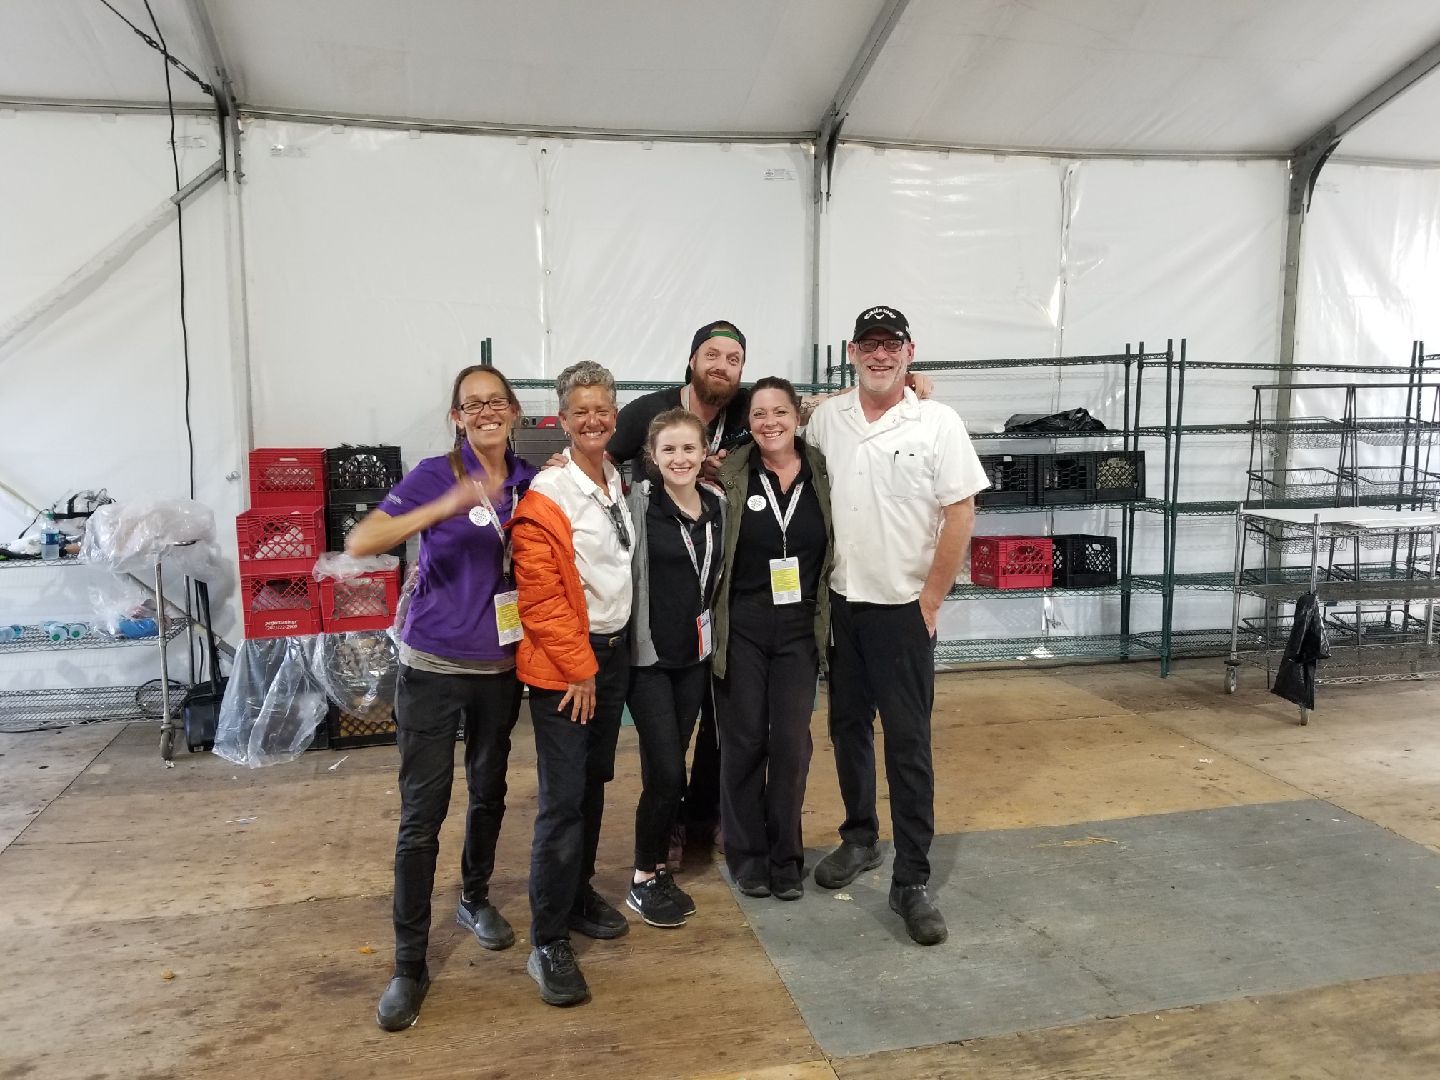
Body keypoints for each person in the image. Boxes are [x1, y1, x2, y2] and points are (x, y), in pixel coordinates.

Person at [346, 363, 538, 1032]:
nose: (486, 411)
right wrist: (445, 506)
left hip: (500, 669)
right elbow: (362, 539)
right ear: (457, 416)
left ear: (513, 411)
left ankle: (476, 897)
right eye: (471, 404)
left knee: (490, 791)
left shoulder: (527, 481)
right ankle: (408, 964)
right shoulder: (436, 473)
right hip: (431, 666)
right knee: (421, 816)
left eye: (496, 401)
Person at [804, 306, 988, 947]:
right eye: (869, 346)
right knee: (847, 726)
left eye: (892, 346)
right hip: (842, 604)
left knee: (908, 744)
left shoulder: (937, 422)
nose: (880, 356)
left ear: (910, 351)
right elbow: (780, 428)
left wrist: (932, 600)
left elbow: (960, 512)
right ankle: (860, 837)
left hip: (904, 611)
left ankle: (911, 880)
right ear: (852, 351)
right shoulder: (829, 418)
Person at [510, 360, 635, 1006]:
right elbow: (541, 598)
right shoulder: (548, 496)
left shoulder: (614, 478)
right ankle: (547, 939)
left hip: (608, 660)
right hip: (568, 668)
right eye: (580, 410)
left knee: (593, 784)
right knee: (562, 802)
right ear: (561, 420)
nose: (593, 419)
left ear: (614, 415)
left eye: (602, 409)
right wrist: (581, 667)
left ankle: (579, 893)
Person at [712, 377, 833, 901]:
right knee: (743, 739)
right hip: (742, 621)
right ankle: (748, 855)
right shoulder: (732, 470)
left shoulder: (824, 471)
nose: (770, 423)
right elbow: (664, 460)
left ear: (797, 416)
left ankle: (786, 855)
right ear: (749, 422)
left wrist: (918, 388)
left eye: (780, 411)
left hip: (801, 624)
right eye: (759, 414)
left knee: (790, 742)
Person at [622, 408, 724, 927]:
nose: (680, 458)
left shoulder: (717, 506)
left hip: (694, 658)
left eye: (689, 448)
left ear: (704, 451)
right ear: (652, 457)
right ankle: (643, 877)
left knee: (671, 767)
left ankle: (659, 863)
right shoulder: (637, 504)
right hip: (650, 660)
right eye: (669, 450)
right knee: (665, 771)